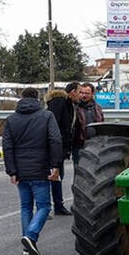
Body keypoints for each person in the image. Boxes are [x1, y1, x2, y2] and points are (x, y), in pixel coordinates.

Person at [2, 87, 62, 255]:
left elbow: (7, 146)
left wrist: (11, 171)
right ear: (38, 99)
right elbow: (55, 140)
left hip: (20, 171)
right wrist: (55, 165)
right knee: (44, 206)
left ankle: (28, 246)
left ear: (21, 98)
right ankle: (31, 235)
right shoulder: (47, 116)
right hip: (40, 169)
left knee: (26, 207)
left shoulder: (11, 119)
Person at [44, 82, 81, 216]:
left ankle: (58, 206)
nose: (80, 95)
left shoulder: (70, 104)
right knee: (54, 175)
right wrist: (56, 144)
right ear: (72, 92)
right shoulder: (59, 102)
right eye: (79, 91)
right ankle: (48, 207)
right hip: (54, 146)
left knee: (58, 175)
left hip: (61, 146)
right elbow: (53, 125)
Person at [74, 82, 104, 165]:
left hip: (96, 143)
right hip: (79, 145)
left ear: (92, 93)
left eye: (87, 93)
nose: (83, 95)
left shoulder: (98, 108)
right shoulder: (75, 107)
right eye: (81, 93)